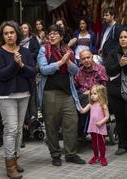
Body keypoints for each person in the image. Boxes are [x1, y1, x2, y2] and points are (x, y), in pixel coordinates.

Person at [0, 20, 36, 179]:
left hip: (24, 95)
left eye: (12, 32)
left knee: (18, 131)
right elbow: (1, 75)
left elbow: (32, 72)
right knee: (10, 129)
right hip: (6, 96)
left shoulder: (25, 51)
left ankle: (15, 160)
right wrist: (15, 65)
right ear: (2, 36)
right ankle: (9, 166)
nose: (9, 35)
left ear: (17, 33)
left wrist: (22, 64)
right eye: (6, 33)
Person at [37, 25, 86, 166]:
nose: (52, 36)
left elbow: (76, 70)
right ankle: (55, 155)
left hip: (67, 93)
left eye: (55, 34)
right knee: (51, 125)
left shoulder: (67, 50)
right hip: (50, 93)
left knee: (71, 123)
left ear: (61, 36)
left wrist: (68, 61)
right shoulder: (43, 50)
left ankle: (70, 154)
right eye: (50, 34)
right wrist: (60, 62)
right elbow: (44, 70)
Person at [74, 50, 108, 139]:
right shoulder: (79, 71)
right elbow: (75, 85)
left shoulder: (100, 69)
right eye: (83, 59)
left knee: (86, 99)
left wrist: (90, 92)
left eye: (88, 57)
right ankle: (73, 130)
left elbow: (103, 87)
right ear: (80, 61)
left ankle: (81, 130)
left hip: (96, 97)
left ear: (92, 57)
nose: (86, 60)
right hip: (81, 96)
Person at [79, 84, 109, 166]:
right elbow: (82, 111)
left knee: (101, 143)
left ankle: (102, 157)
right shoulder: (90, 104)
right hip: (93, 127)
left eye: (95, 94)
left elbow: (107, 116)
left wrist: (101, 122)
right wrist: (77, 105)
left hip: (100, 127)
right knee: (94, 143)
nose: (92, 96)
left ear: (101, 94)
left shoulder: (103, 105)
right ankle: (96, 156)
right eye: (91, 94)